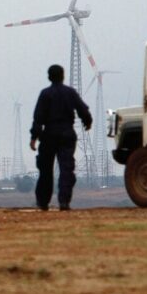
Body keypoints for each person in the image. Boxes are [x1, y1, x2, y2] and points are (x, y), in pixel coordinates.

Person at [29, 64, 93, 211]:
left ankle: (43, 202)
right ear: (63, 76)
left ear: (49, 77)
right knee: (66, 169)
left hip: (49, 135)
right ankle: (64, 202)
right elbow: (83, 109)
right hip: (67, 134)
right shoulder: (70, 93)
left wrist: (34, 138)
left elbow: (38, 118)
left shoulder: (45, 94)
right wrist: (87, 122)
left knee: (45, 170)